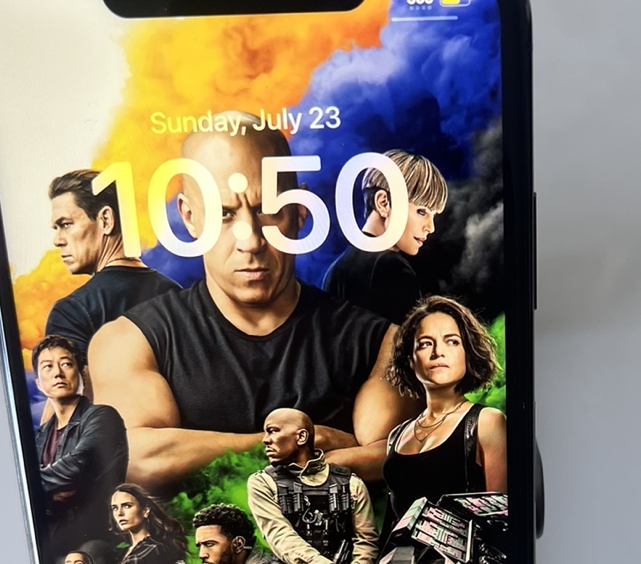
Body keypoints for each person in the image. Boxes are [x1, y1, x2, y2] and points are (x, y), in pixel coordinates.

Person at [88, 115, 413, 492]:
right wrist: (302, 443)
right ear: (190, 217)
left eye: (268, 210)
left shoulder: (382, 343)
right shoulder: (130, 341)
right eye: (225, 214)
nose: (251, 241)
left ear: (299, 211)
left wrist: (199, 450)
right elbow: (137, 458)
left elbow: (392, 457)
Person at [382, 296, 507, 523]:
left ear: (467, 352)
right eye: (425, 343)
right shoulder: (397, 436)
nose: (438, 352)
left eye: (452, 341)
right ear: (410, 359)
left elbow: (500, 521)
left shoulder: (487, 422)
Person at [248, 407, 379, 564]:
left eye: (272, 431)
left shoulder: (351, 483)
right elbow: (280, 536)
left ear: (301, 437)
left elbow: (366, 540)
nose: (265, 440)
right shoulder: (263, 482)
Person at [44, 169, 179, 370]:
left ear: (106, 220)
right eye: (56, 228)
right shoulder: (177, 295)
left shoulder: (71, 313)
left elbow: (73, 390)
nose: (57, 240)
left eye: (65, 224)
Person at [322, 150, 447, 324]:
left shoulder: (336, 270)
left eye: (433, 216)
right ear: (383, 203)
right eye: (421, 211)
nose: (430, 227)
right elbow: (405, 340)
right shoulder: (393, 269)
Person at [33, 335, 128, 553]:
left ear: (82, 373)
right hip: (52, 540)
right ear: (38, 382)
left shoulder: (102, 416)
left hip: (94, 540)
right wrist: (48, 491)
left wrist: (38, 487)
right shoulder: (41, 436)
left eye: (66, 364)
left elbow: (77, 466)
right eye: (48, 367)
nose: (58, 373)